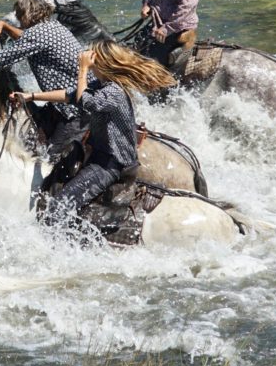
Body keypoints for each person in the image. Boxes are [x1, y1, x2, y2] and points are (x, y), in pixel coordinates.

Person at [10, 39, 175, 226]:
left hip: (110, 164)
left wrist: (83, 70)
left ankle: (60, 249)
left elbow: (87, 103)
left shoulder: (114, 91)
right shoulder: (103, 84)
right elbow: (70, 95)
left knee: (58, 207)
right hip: (96, 155)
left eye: (93, 56)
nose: (87, 57)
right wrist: (30, 96)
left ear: (103, 63)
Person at [0, 0, 83, 153]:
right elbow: (26, 37)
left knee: (49, 161)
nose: (18, 20)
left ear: (25, 15)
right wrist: (5, 26)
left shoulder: (37, 34)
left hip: (73, 111)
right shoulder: (52, 26)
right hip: (71, 101)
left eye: (19, 15)